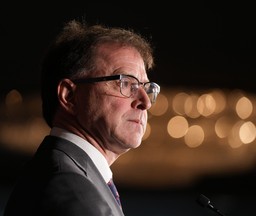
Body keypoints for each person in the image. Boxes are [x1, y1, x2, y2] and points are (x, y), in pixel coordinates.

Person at [3, 19, 160, 216]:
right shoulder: (72, 192)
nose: (145, 102)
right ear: (69, 96)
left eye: (147, 88)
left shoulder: (66, 176)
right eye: (126, 83)